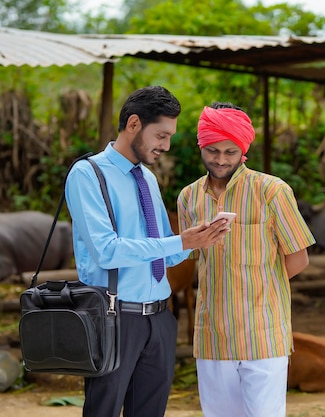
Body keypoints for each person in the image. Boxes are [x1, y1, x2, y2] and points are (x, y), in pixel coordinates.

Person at [65, 86, 230, 417]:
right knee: (104, 411)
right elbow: (106, 251)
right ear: (134, 124)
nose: (165, 146)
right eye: (161, 135)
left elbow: (165, 254)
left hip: (159, 318)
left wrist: (200, 238)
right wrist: (180, 242)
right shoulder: (88, 175)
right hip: (114, 316)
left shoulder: (148, 180)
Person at [176, 102, 316, 417]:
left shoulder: (272, 191)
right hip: (212, 337)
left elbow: (298, 259)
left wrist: (258, 286)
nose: (220, 159)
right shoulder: (188, 198)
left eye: (230, 152)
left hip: (263, 334)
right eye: (212, 150)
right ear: (201, 146)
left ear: (243, 150)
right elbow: (196, 258)